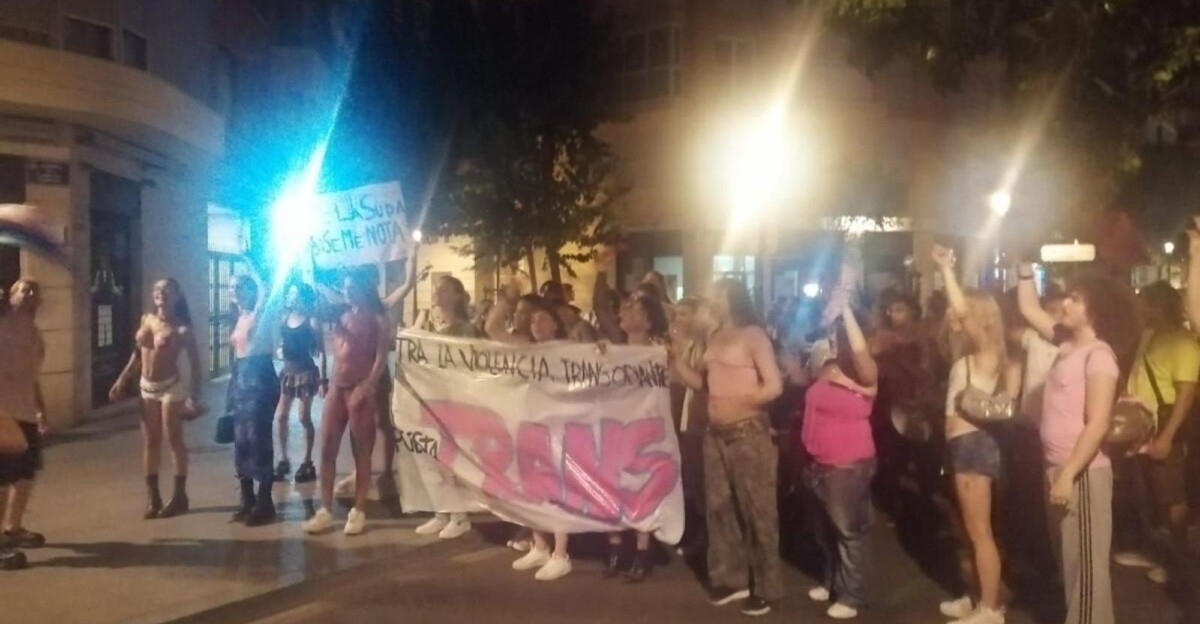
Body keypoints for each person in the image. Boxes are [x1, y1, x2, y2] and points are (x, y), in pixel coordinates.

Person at [1018, 264, 1139, 624]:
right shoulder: (1068, 345)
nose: (1065, 303)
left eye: (1075, 298)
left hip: (1082, 476)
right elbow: (1028, 310)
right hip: (1058, 470)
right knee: (1070, 565)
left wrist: (1069, 473)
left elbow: (1099, 422)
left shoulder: (1099, 356)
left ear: (1095, 310)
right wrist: (1025, 268)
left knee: (1085, 574)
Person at [674, 278, 784, 616]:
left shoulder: (753, 335)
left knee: (757, 510)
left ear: (731, 298)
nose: (712, 299)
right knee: (720, 508)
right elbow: (703, 385)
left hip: (747, 432)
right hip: (715, 433)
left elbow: (774, 386)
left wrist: (737, 400)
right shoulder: (713, 337)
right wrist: (677, 356)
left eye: (717, 294)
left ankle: (766, 586)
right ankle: (731, 579)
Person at [933, 246, 1020, 624]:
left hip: (972, 446)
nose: (954, 314)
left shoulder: (988, 351)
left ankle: (990, 608)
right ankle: (977, 597)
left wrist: (945, 269)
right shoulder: (976, 353)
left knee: (980, 531)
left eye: (962, 311)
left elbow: (965, 312)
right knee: (970, 529)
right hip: (964, 446)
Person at [1113, 281, 1197, 585]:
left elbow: (1185, 394)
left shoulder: (1183, 342)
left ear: (1158, 305)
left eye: (1143, 302)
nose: (1138, 308)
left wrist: (1167, 437)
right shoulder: (1149, 336)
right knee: (1145, 491)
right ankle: (1157, 551)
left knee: (1170, 495)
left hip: (1164, 426)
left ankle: (1180, 562)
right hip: (1142, 425)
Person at [488, 290, 575, 581]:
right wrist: (504, 302)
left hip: (557, 427)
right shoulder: (525, 346)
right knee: (530, 488)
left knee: (556, 490)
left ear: (555, 324)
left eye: (542, 319)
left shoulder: (566, 349)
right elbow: (492, 329)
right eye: (533, 319)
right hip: (528, 426)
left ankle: (561, 553)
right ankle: (539, 544)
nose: (536, 324)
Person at [801, 294, 878, 621]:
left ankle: (852, 595)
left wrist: (845, 308)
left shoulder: (864, 371)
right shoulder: (829, 366)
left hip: (847, 464)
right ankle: (833, 581)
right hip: (820, 462)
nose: (833, 338)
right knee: (826, 530)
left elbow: (860, 351)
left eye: (839, 333)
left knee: (849, 531)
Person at [594, 262, 672, 583]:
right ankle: (614, 549)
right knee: (613, 488)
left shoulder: (659, 352)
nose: (624, 312)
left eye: (632, 308)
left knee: (642, 489)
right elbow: (600, 308)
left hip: (647, 430)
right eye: (623, 307)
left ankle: (642, 551)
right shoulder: (613, 348)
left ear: (648, 319)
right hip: (615, 429)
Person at [109, 278, 204, 519]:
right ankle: (153, 497)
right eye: (158, 289)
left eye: (167, 290)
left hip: (170, 387)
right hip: (146, 387)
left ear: (177, 297)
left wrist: (195, 396)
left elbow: (195, 366)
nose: (161, 293)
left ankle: (180, 495)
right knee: (150, 441)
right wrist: (122, 378)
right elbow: (137, 354)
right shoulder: (146, 319)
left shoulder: (182, 329)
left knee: (173, 439)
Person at [304, 271, 390, 536]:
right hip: (337, 387)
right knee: (327, 447)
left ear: (364, 287)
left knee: (361, 451)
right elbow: (330, 348)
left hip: (360, 390)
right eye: (345, 286)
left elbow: (381, 357)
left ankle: (359, 509)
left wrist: (367, 386)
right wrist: (325, 379)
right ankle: (325, 509)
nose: (348, 290)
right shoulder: (340, 314)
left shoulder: (378, 317)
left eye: (352, 286)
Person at [412, 274, 484, 540]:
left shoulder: (465, 330)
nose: (436, 293)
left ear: (456, 296)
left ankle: (458, 515)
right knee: (431, 459)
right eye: (435, 288)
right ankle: (441, 510)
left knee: (450, 460)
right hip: (432, 401)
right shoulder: (430, 327)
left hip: (454, 402)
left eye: (443, 289)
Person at [224, 267, 283, 525]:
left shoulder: (260, 313)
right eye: (231, 287)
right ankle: (247, 499)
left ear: (250, 289)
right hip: (241, 378)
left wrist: (250, 262)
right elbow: (237, 356)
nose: (234, 291)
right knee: (241, 441)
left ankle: (265, 501)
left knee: (259, 439)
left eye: (239, 286)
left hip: (260, 378)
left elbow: (264, 289)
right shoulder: (239, 316)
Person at [0, 279, 48, 557]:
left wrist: (41, 410)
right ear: (12, 296)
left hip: (26, 412)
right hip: (3, 414)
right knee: (3, 478)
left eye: (34, 291)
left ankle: (13, 528)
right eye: (23, 289)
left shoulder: (35, 334)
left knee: (25, 475)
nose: (30, 294)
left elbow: (33, 378)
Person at [670, 296, 712, 556]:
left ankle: (709, 540)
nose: (678, 320)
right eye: (675, 315)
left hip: (701, 422)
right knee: (693, 482)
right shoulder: (683, 346)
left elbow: (698, 383)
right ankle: (700, 534)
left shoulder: (705, 346)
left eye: (684, 314)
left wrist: (677, 358)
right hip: (685, 421)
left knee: (705, 485)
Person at [274, 283, 326, 483]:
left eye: (294, 293)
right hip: (288, 372)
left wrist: (322, 380)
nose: (290, 295)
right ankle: (284, 458)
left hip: (305, 373)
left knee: (304, 417)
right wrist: (279, 350)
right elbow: (281, 342)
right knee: (280, 416)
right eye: (290, 292)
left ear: (303, 297)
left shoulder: (311, 321)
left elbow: (321, 352)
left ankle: (307, 461)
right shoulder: (285, 318)